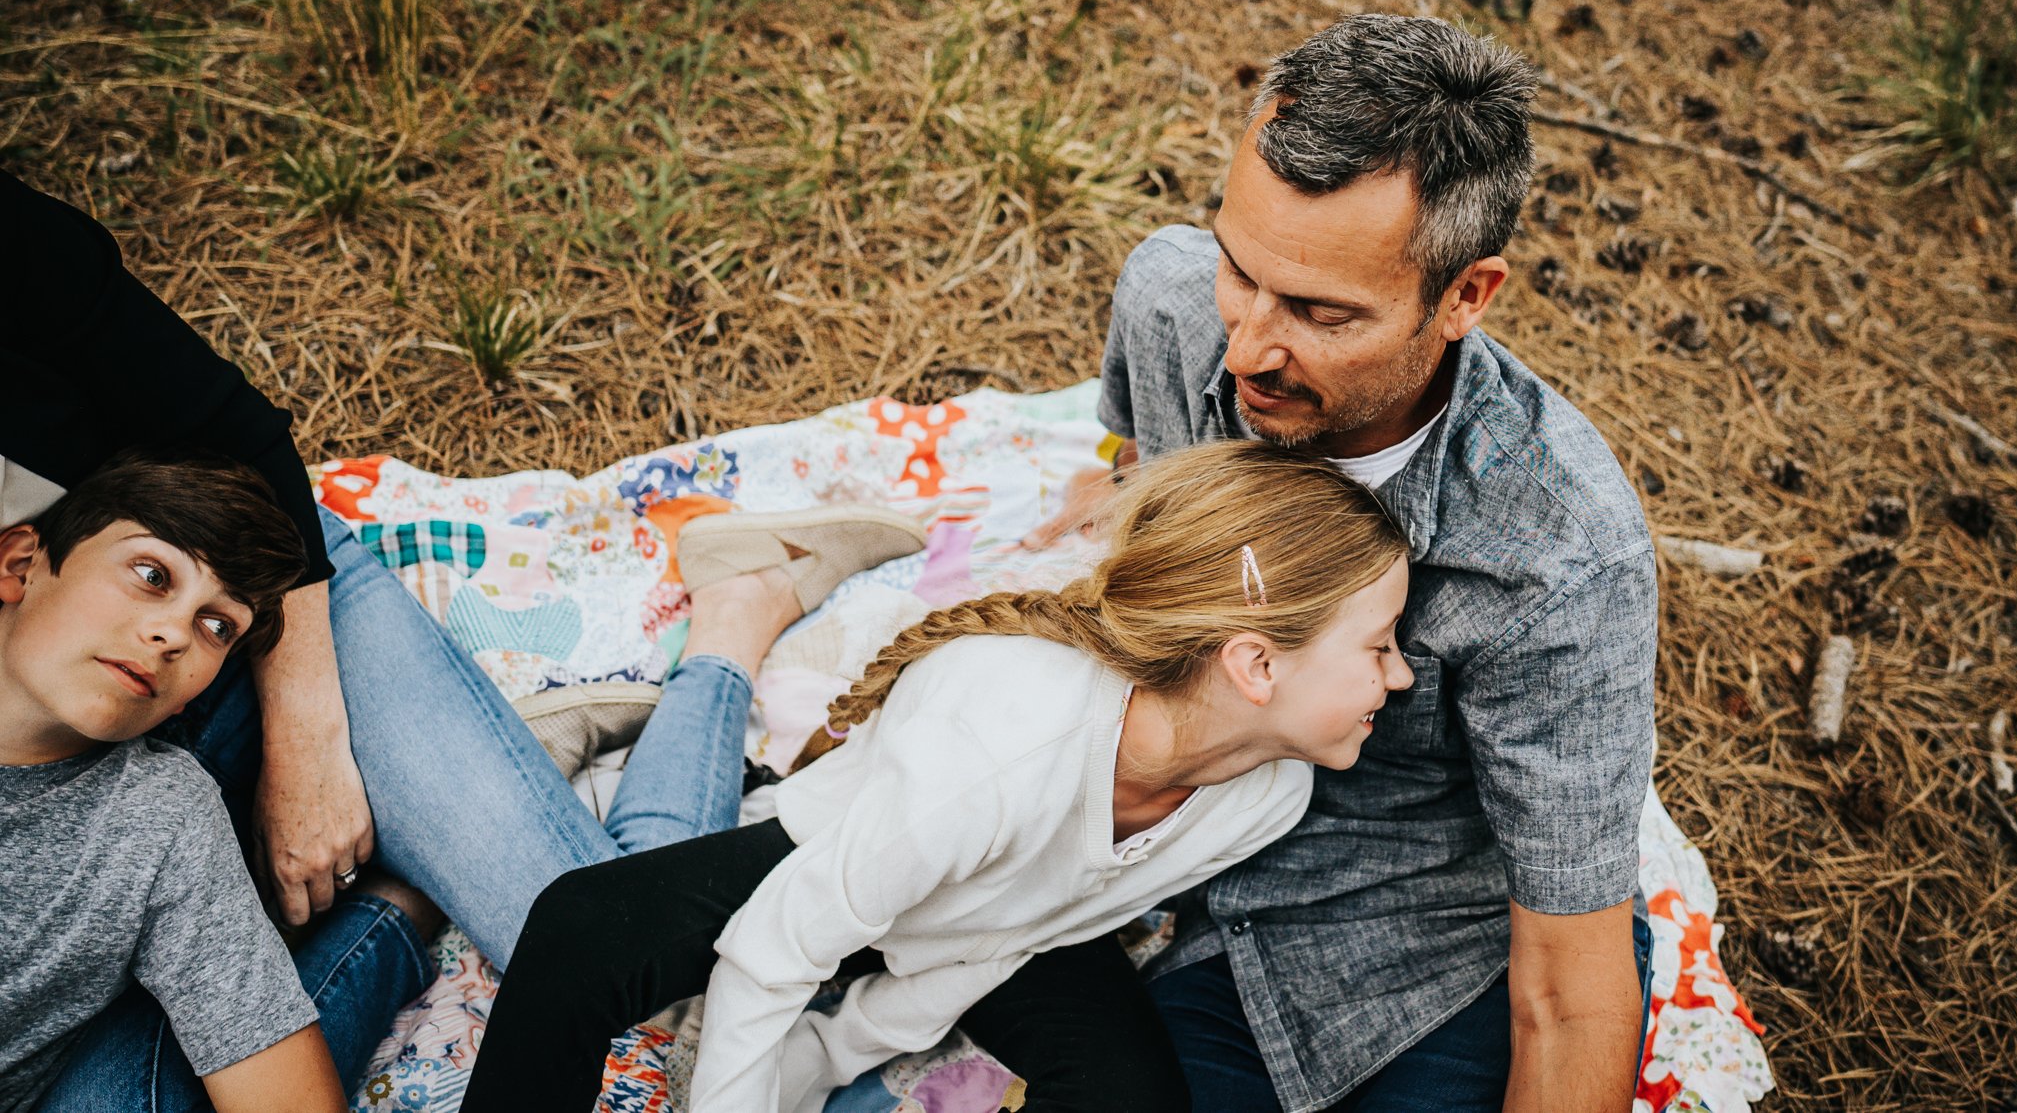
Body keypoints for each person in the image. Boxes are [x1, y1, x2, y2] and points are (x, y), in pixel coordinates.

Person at [1, 169, 929, 1104]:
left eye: (176, 598)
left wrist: (311, 737)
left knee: (646, 980)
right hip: (66, 733)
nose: (166, 625)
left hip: (253, 635)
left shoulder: (166, 761)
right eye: (155, 584)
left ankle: (732, 615)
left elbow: (240, 442)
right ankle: (485, 763)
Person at [1026, 14, 1659, 1113]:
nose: (1244, 350)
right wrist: (1120, 491)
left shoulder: (1561, 551)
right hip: (1188, 897)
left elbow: (1567, 985)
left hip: (1419, 958)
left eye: (1320, 314)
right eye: (1240, 269)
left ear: (1463, 297)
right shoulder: (1170, 296)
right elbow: (1137, 448)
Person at [458, 439, 1413, 1113]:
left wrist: (831, 1051)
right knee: (581, 931)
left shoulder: (1269, 793)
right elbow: (772, 949)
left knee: (1136, 1097)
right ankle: (717, 658)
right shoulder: (1001, 754)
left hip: (998, 909)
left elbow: (1025, 927)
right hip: (857, 842)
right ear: (1255, 666)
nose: (1403, 674)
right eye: (1378, 645)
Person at [0, 454, 409, 1113]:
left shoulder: (159, 815)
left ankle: (388, 917)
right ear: (20, 565)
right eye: (152, 573)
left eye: (216, 626)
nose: (172, 637)